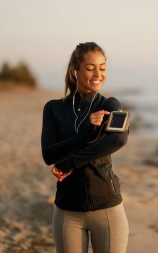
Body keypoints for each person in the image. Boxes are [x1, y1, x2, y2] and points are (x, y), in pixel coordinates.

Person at [41, 42, 129, 253]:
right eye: (90, 68)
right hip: (67, 211)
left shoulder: (110, 105)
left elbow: (118, 140)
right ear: (75, 71)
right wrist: (85, 133)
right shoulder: (53, 108)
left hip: (107, 209)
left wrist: (68, 163)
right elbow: (48, 153)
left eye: (103, 67)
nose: (98, 73)